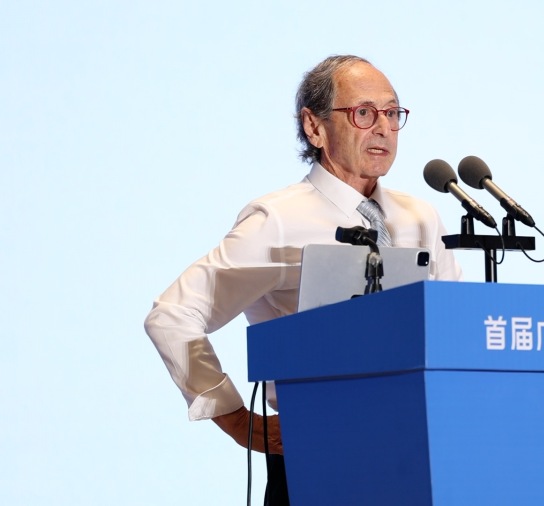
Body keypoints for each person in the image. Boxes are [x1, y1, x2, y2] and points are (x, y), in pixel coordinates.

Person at [144, 54, 462, 505]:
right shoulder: (278, 219)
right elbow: (173, 315)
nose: (383, 128)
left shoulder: (419, 216)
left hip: (415, 451)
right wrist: (236, 419)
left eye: (392, 113)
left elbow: (454, 328)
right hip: (319, 455)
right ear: (314, 127)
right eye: (364, 112)